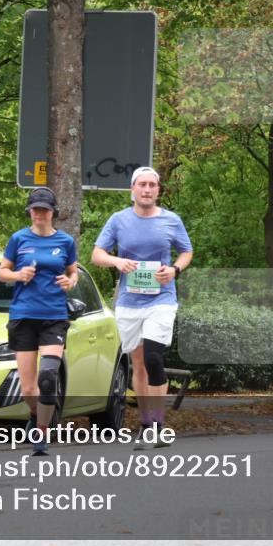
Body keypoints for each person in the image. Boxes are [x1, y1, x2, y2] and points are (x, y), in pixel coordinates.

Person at [92, 166, 192, 450]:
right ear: (132, 189)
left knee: (153, 358)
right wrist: (117, 262)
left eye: (152, 185)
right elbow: (97, 254)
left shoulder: (171, 220)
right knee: (138, 364)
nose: (147, 189)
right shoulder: (118, 220)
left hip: (161, 299)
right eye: (142, 185)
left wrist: (174, 270)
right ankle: (146, 424)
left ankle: (158, 424)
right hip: (129, 301)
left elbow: (186, 252)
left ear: (158, 190)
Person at [0, 187, 78, 456]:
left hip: (54, 316)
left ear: (53, 212)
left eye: (44, 210)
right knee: (29, 388)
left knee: (47, 377)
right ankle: (35, 413)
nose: (40, 214)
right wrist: (18, 275)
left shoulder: (65, 241)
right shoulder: (18, 239)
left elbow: (73, 273)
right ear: (30, 212)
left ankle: (41, 434)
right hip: (23, 316)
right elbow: (2, 272)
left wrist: (70, 282)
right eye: (35, 210)